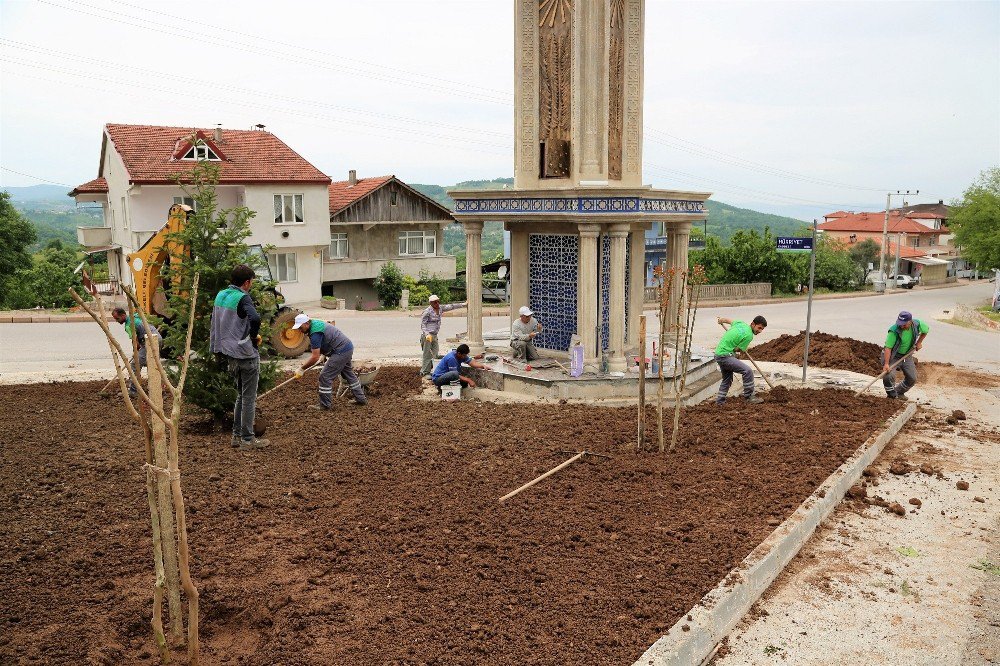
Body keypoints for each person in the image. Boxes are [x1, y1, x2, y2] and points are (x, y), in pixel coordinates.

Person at [210, 264, 269, 450]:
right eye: (251, 282)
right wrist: (252, 337)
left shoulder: (221, 295)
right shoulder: (243, 298)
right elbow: (256, 319)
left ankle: (236, 437)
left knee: (240, 395)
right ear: (246, 282)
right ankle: (248, 439)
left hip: (229, 353)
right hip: (246, 354)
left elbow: (216, 324)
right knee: (249, 398)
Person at [292, 314, 366, 408]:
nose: (299, 330)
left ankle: (325, 405)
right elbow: (327, 338)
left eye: (300, 327)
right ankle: (361, 399)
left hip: (341, 351)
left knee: (325, 376)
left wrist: (302, 369)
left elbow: (314, 357)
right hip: (347, 347)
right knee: (348, 373)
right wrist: (324, 354)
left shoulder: (315, 333)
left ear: (306, 323)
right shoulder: (315, 323)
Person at [714, 316, 767, 405]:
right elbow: (736, 349)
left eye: (762, 329)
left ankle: (720, 402)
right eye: (759, 328)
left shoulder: (740, 323)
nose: (760, 331)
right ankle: (749, 397)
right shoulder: (749, 336)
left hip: (718, 354)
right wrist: (740, 350)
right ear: (753, 324)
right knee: (747, 371)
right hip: (725, 356)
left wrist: (721, 320)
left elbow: (728, 320)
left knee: (727, 379)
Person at [111, 306, 161, 398]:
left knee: (135, 364)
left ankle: (133, 391)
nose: (116, 321)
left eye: (117, 318)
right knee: (150, 363)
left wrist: (136, 352)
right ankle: (156, 387)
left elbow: (135, 342)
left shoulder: (129, 325)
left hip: (149, 341)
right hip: (157, 337)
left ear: (123, 315)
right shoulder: (135, 316)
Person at [882, 310, 928, 400]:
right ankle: (891, 396)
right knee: (888, 376)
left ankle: (899, 392)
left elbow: (926, 330)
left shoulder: (917, 324)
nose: (901, 326)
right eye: (900, 323)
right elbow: (888, 348)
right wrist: (886, 364)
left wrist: (919, 342)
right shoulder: (894, 331)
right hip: (893, 355)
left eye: (904, 324)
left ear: (910, 321)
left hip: (907, 355)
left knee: (912, 378)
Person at [419, 295, 467, 377]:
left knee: (435, 354)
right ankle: (424, 372)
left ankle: (429, 369)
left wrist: (463, 304)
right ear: (431, 303)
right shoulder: (427, 311)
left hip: (434, 335)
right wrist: (427, 334)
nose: (437, 303)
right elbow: (423, 324)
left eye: (438, 301)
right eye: (435, 302)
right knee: (427, 354)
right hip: (428, 336)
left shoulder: (440, 308)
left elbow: (451, 306)